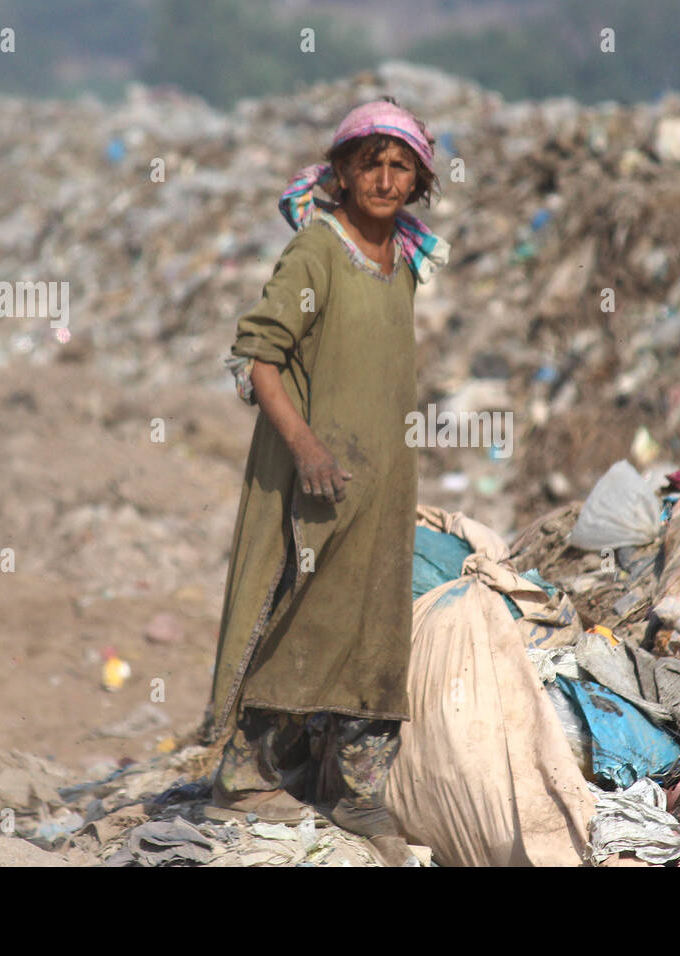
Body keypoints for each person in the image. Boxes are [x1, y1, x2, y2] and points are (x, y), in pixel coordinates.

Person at [201, 98, 449, 866]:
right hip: (317, 476)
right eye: (368, 163)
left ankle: (357, 788)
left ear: (417, 181)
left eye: (398, 165)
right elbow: (261, 359)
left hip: (383, 479)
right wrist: (306, 447)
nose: (383, 178)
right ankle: (247, 774)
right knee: (301, 613)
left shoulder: (402, 259)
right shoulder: (317, 251)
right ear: (339, 173)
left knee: (375, 618)